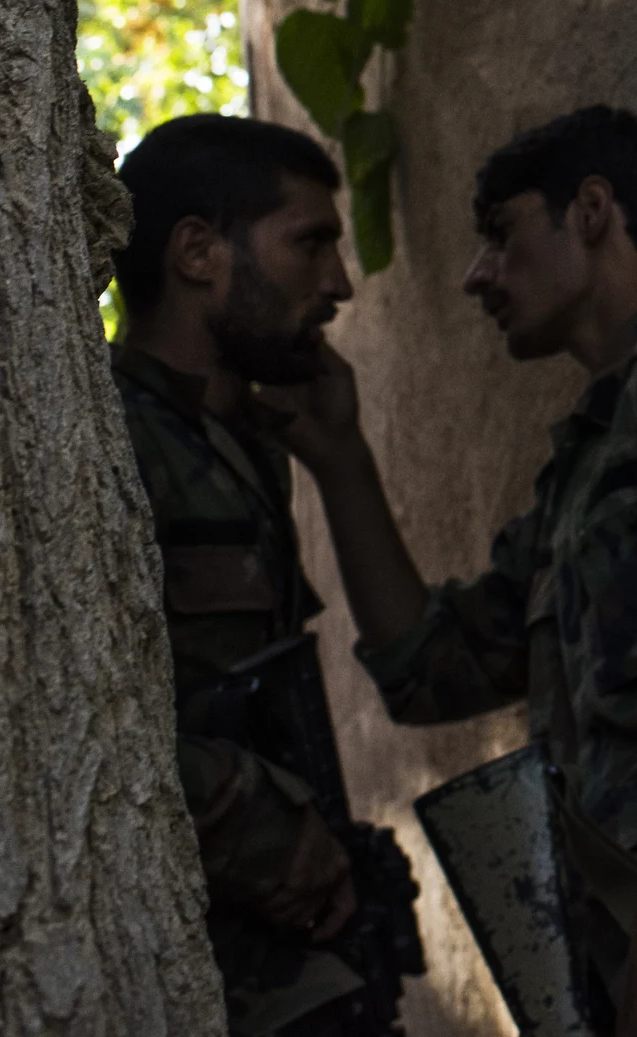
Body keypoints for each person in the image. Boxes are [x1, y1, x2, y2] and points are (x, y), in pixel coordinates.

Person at [267, 106, 637, 1037]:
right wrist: (340, 458)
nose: (476, 276)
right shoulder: (588, 458)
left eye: (500, 236)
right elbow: (429, 667)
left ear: (589, 211)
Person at [111, 114, 416, 1036]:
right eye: (310, 242)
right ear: (199, 252)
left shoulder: (243, 443)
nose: (338, 283)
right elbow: (82, 719)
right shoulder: (109, 437)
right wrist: (262, 823)